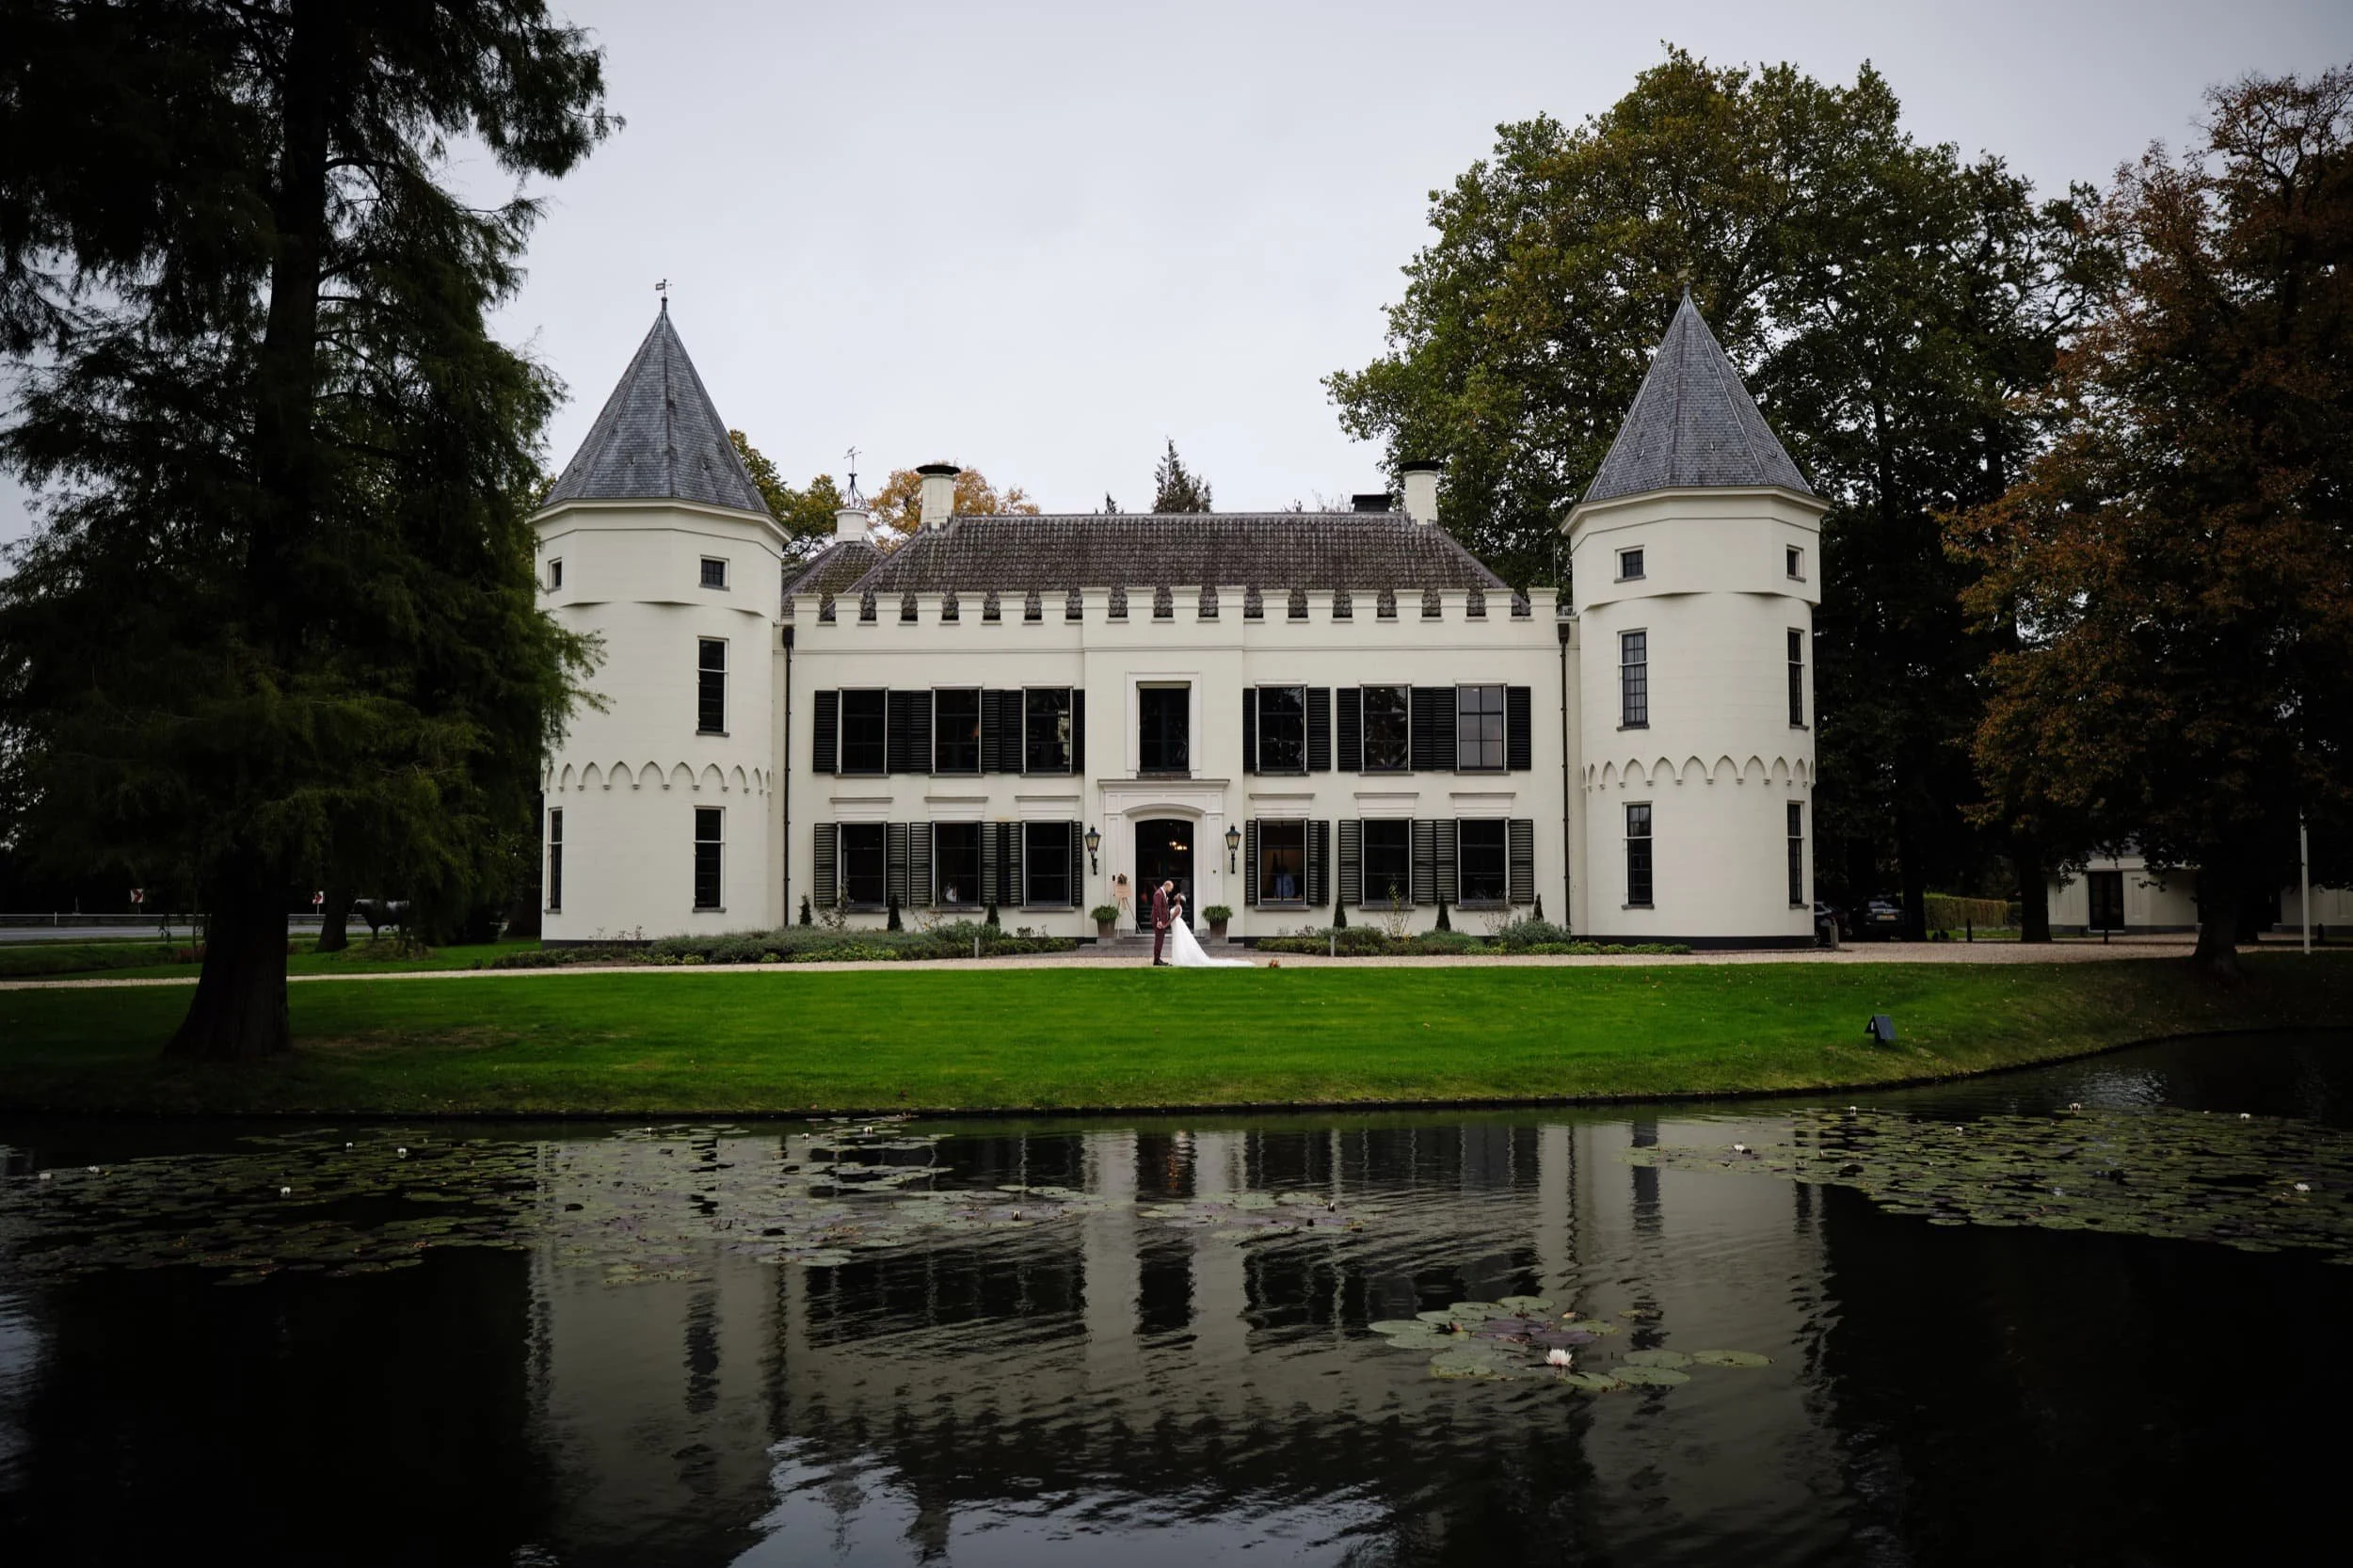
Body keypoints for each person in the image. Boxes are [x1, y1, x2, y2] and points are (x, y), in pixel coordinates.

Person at [1165, 894, 1252, 968]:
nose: (1175, 896)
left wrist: (1166, 924)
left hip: (1178, 924)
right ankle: (1178, 958)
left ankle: (1180, 959)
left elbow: (1173, 917)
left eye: (1177, 895)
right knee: (1178, 941)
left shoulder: (1178, 907)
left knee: (1180, 941)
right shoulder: (1176, 907)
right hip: (1176, 925)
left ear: (1179, 899)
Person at [1150, 879, 1172, 967]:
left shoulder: (1162, 893)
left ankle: (1158, 958)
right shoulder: (1158, 894)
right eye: (1171, 888)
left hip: (1162, 921)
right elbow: (1157, 908)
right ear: (1167, 886)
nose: (1170, 890)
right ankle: (1156, 960)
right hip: (1159, 922)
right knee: (1159, 940)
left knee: (1160, 940)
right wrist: (1159, 920)